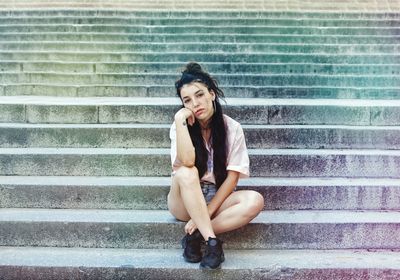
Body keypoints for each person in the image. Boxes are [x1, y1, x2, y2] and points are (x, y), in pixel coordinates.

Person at [168, 62, 264, 269]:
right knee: (186, 172)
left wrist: (208, 211)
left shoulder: (232, 128)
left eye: (200, 94)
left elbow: (232, 178)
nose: (195, 103)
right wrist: (179, 119)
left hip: (217, 196)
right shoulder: (180, 126)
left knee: (255, 200)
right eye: (187, 100)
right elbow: (185, 162)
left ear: (212, 94)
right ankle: (212, 241)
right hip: (184, 200)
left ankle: (195, 235)